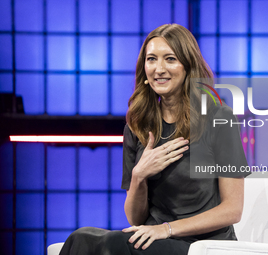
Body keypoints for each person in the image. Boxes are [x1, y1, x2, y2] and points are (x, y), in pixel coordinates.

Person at [59, 23, 250, 255]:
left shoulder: (218, 118)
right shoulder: (137, 126)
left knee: (113, 245)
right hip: (154, 237)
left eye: (170, 59)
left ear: (187, 66)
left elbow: (232, 210)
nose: (159, 68)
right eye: (152, 59)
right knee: (80, 238)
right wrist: (139, 175)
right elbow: (135, 217)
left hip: (202, 244)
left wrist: (166, 229)